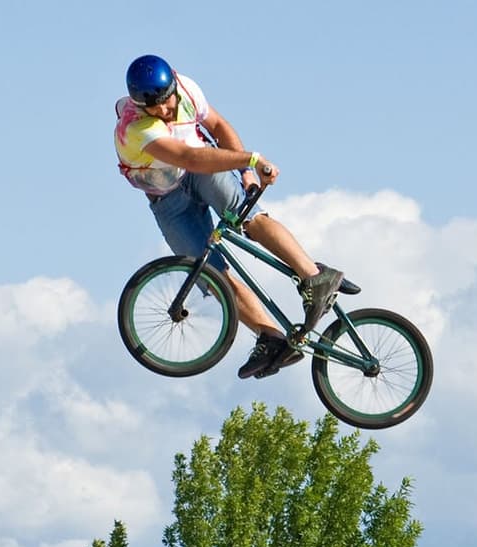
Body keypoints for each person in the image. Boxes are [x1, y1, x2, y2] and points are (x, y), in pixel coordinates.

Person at [115, 55, 350, 379]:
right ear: (141, 106)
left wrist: (246, 170)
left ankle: (313, 276)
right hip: (168, 199)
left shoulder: (187, 89)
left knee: (248, 218)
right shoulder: (137, 128)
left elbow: (218, 127)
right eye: (157, 108)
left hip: (204, 174)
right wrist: (251, 159)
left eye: (169, 101)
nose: (167, 110)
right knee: (210, 275)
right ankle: (271, 338)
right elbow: (187, 156)